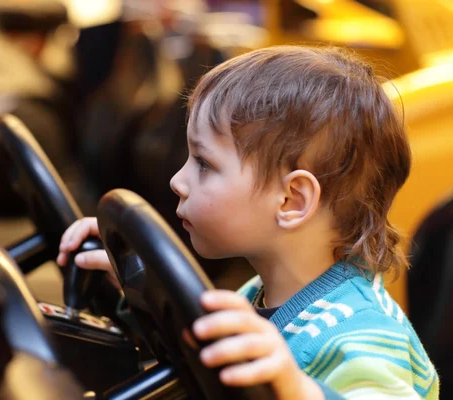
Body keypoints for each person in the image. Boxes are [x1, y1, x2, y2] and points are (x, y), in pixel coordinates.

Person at [57, 45, 439, 399]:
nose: (177, 181)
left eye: (204, 163)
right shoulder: (258, 293)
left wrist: (296, 389)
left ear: (292, 200)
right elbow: (197, 364)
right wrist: (135, 290)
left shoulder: (360, 330)